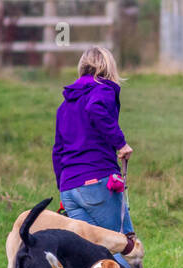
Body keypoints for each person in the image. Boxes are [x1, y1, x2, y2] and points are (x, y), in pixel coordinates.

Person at [52, 46, 136, 237]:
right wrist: (121, 144)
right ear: (109, 67)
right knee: (120, 244)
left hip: (69, 188)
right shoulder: (103, 89)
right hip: (96, 182)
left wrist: (62, 186)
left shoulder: (64, 106)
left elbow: (57, 151)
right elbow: (95, 109)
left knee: (89, 252)